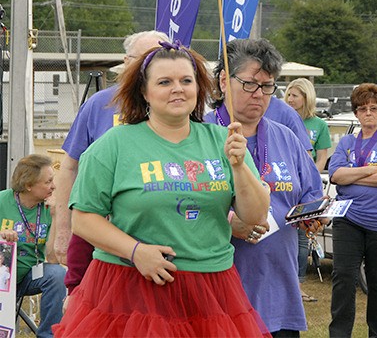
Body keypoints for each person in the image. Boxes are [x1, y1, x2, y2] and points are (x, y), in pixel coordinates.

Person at [54, 41, 270, 337]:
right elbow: (83, 218)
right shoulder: (113, 145)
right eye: (164, 82)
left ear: (199, 87)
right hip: (130, 287)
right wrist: (135, 252)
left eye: (186, 80)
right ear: (144, 92)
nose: (177, 89)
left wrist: (239, 167)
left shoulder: (225, 141)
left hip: (210, 289)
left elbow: (255, 215)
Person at [209, 38, 324, 337]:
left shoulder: (286, 136)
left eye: (268, 86)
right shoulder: (199, 134)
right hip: (220, 291)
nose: (259, 95)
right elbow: (179, 204)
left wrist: (314, 215)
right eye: (250, 84)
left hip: (278, 291)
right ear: (224, 80)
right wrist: (230, 222)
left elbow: (311, 192)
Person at [54, 30, 170, 300]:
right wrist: (63, 230)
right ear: (126, 62)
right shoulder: (99, 105)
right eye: (143, 60)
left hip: (156, 241)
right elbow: (70, 167)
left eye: (157, 59)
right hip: (96, 236)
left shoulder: (178, 112)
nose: (149, 68)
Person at [328, 83, 377, 338]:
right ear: (356, 113)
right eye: (362, 109)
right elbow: (335, 175)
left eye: (374, 108)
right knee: (343, 279)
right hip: (348, 219)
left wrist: (351, 177)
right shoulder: (347, 142)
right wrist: (370, 170)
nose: (368, 113)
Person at [0, 154, 66, 338]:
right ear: (29, 186)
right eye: (48, 182)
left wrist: (55, 215)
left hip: (28, 276)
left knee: (57, 274)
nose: (54, 186)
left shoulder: (48, 208)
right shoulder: (2, 201)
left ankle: (48, 335)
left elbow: (52, 259)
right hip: (3, 277)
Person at [285, 77, 332, 303]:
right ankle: (285, 283)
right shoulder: (283, 120)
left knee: (303, 237)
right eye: (288, 95)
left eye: (295, 95)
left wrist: (310, 178)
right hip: (286, 184)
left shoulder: (318, 125)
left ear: (306, 97)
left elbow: (322, 156)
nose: (290, 99)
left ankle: (299, 285)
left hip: (307, 186)